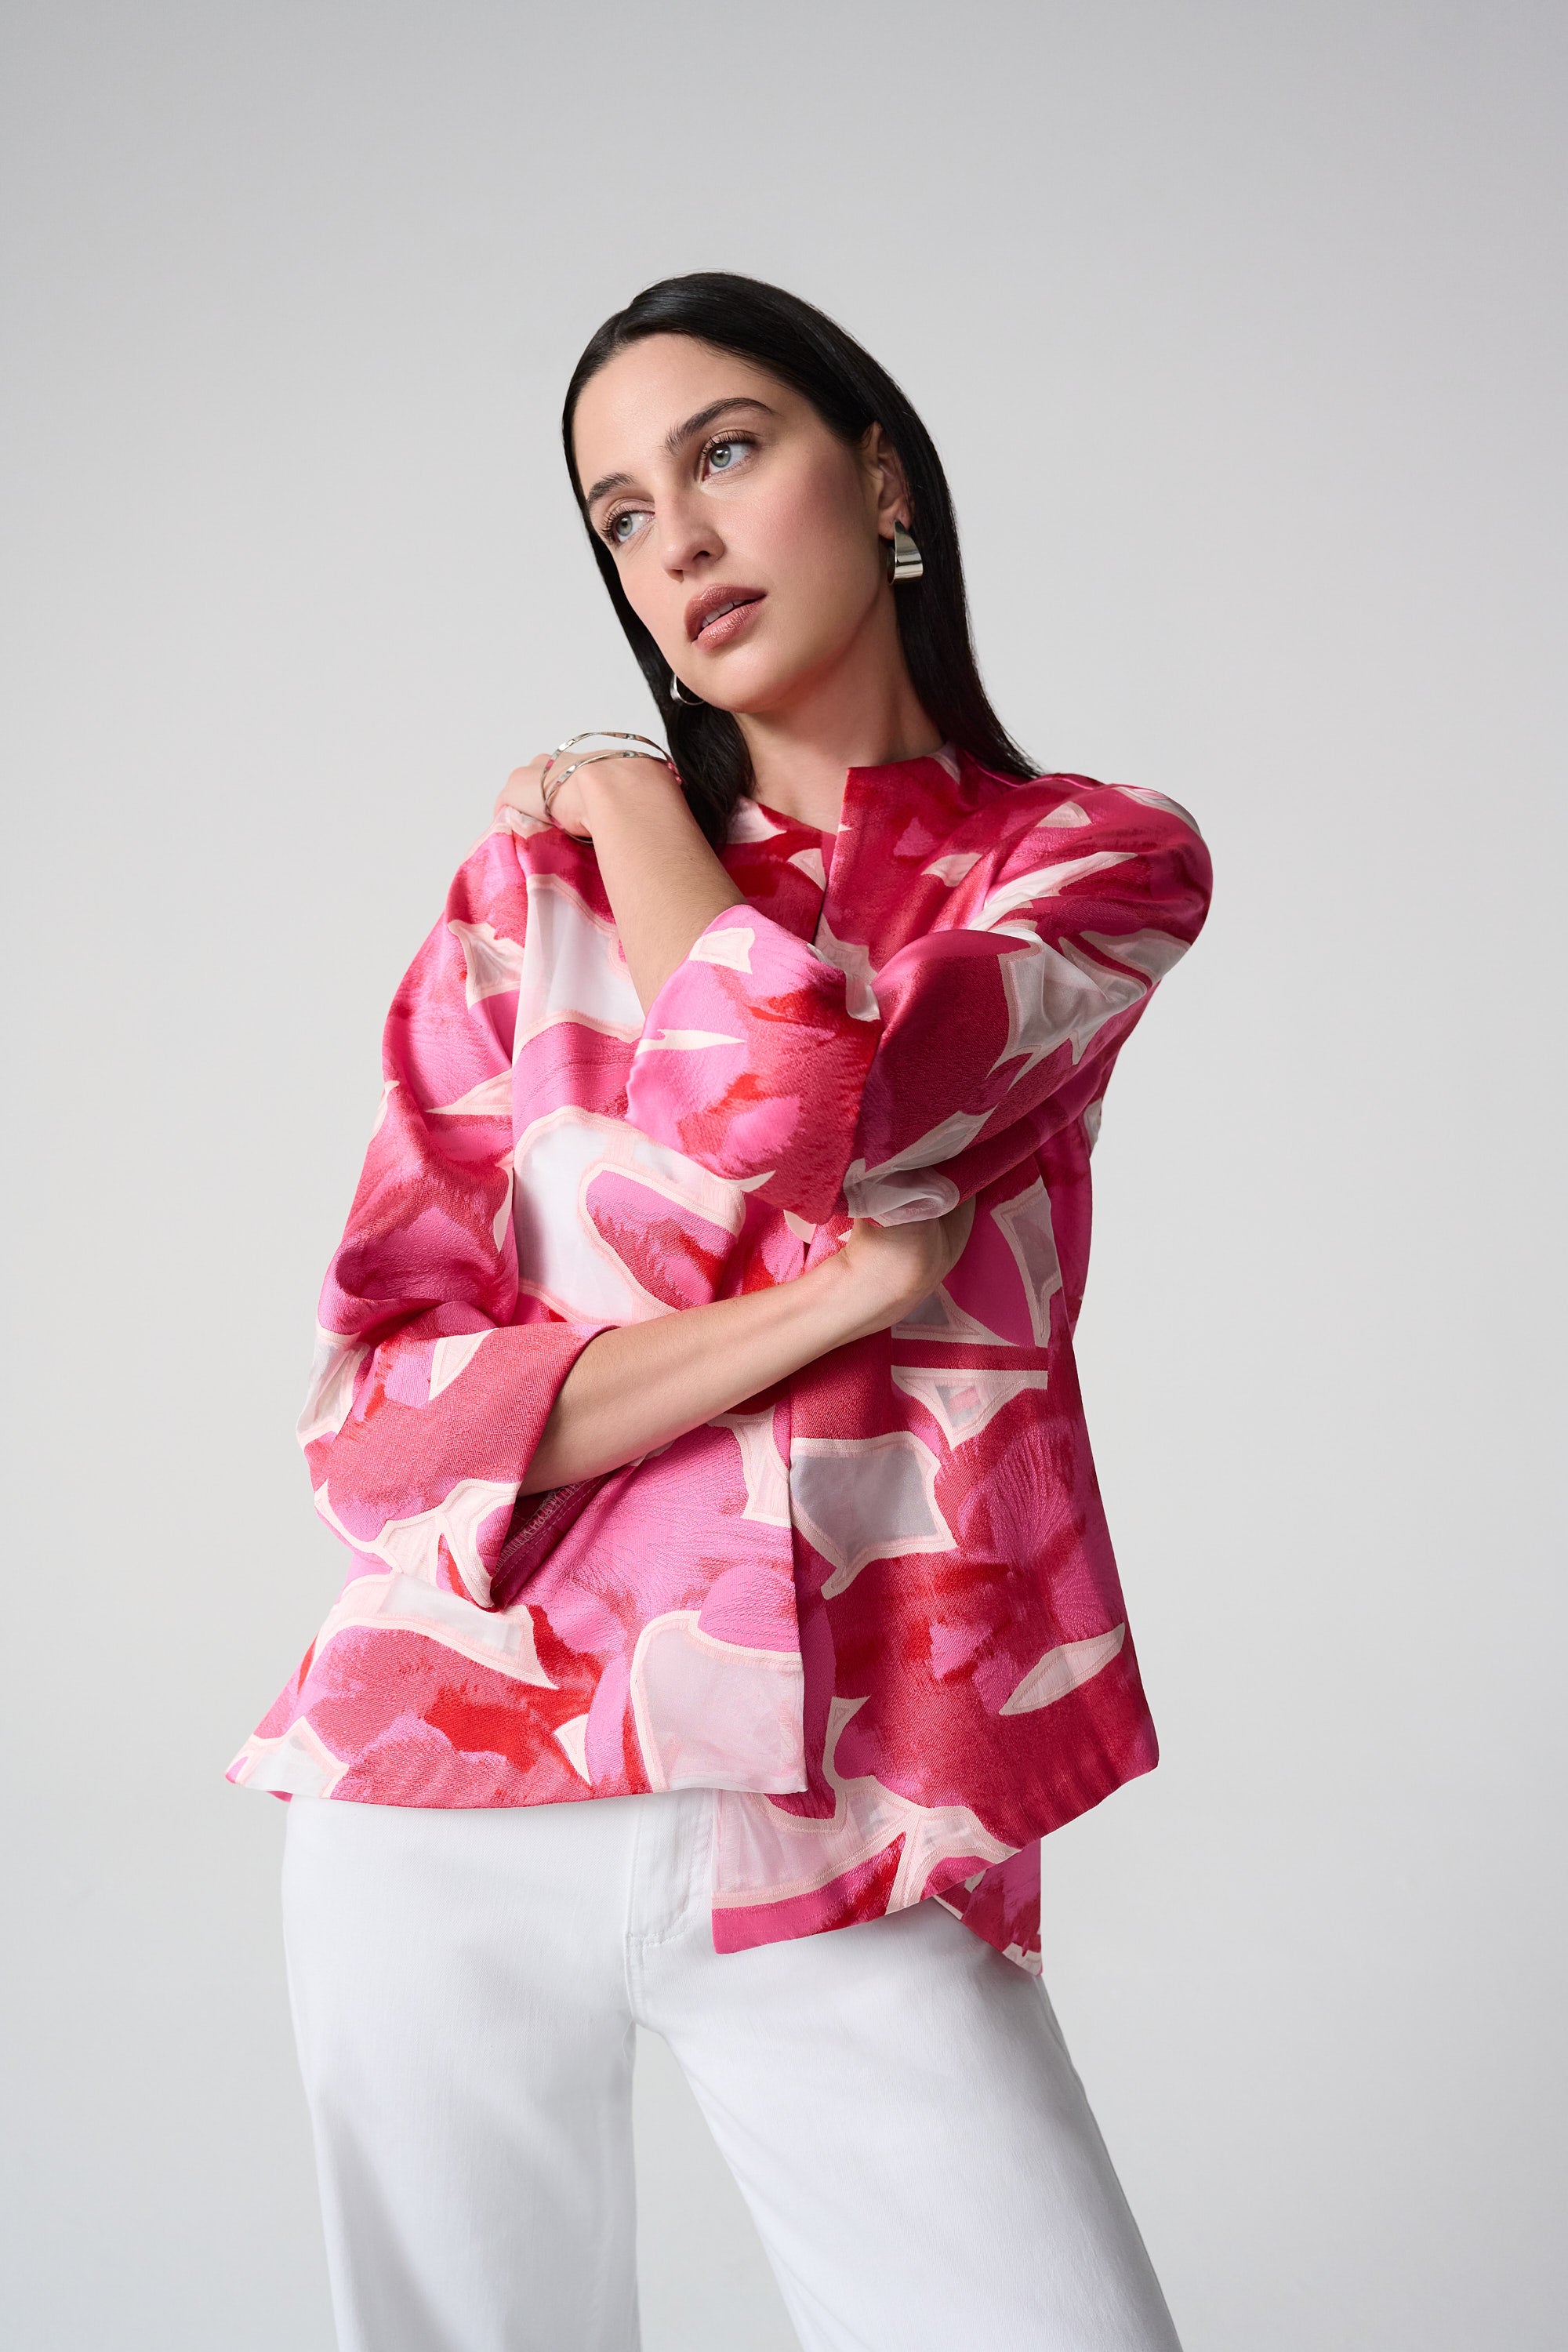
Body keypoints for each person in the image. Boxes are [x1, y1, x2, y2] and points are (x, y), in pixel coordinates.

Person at [230, 272, 1213, 2351]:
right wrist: (822, 1312)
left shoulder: (1089, 868)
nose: (674, 539)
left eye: (727, 454)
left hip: (848, 1801)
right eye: (619, 514)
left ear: (882, 479)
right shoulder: (523, 907)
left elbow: (809, 1109)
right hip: (447, 1784)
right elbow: (377, 1428)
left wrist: (631, 808)